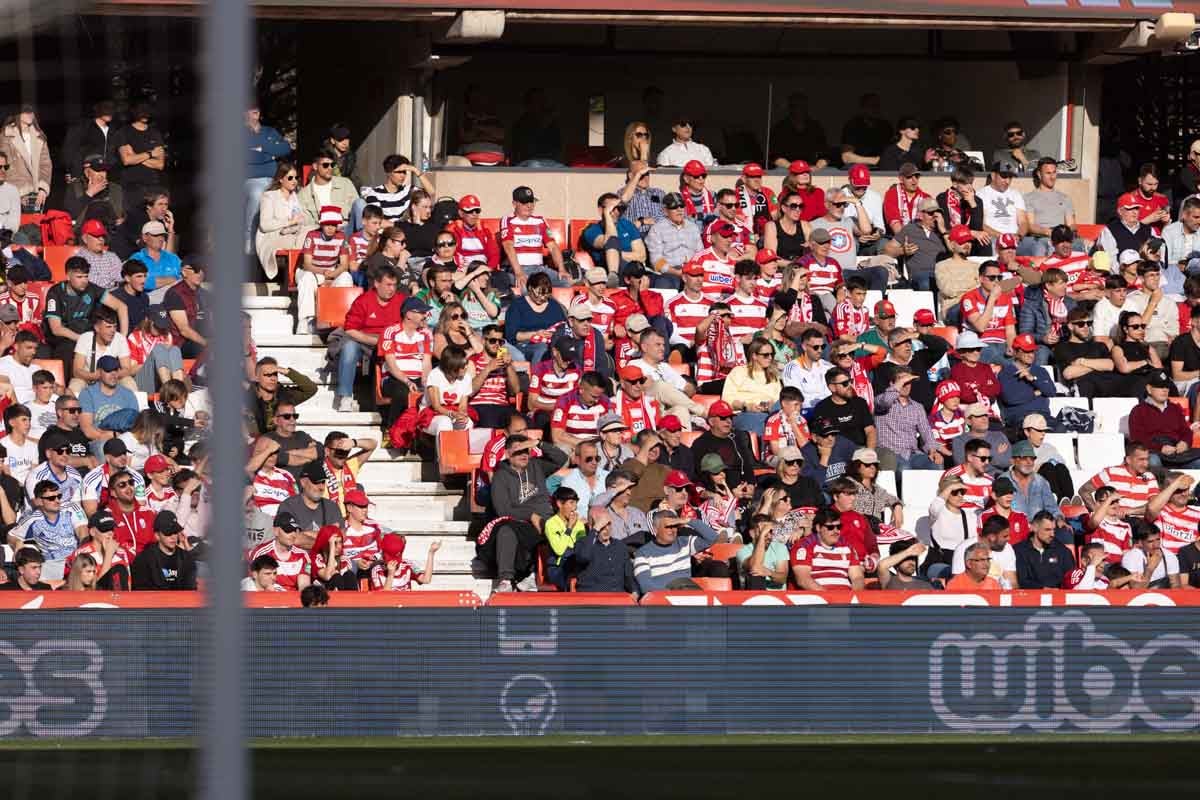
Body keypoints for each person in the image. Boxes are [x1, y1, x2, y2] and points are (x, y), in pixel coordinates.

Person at [485, 435, 566, 592]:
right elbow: (503, 510)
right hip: (520, 522)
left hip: (546, 518)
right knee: (506, 531)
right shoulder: (500, 476)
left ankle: (537, 575)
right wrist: (530, 515)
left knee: (563, 527)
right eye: (518, 452)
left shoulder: (537, 466)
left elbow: (561, 458)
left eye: (526, 451)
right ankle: (506, 581)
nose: (524, 455)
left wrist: (539, 443)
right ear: (508, 454)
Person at [334, 266, 404, 413]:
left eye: (394, 285)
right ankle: (345, 397)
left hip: (394, 343)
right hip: (365, 341)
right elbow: (350, 329)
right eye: (388, 285)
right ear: (377, 284)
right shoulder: (363, 301)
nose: (392, 289)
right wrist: (376, 341)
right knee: (349, 348)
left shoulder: (401, 301)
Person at [633, 509, 720, 594]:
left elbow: (712, 538)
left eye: (675, 526)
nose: (672, 530)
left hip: (687, 592)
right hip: (663, 600)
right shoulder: (643, 553)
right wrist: (673, 595)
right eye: (668, 526)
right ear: (656, 529)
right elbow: (646, 587)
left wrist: (687, 520)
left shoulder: (684, 543)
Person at [500, 185, 569, 291]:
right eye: (524, 202)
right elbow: (508, 246)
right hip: (520, 268)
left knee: (565, 283)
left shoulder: (540, 220)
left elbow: (553, 247)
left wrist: (561, 269)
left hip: (540, 269)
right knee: (527, 289)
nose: (529, 206)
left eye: (531, 202)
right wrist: (519, 272)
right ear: (514, 204)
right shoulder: (507, 220)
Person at [1129, 373, 1199, 468]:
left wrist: (1184, 443)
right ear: (1149, 389)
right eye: (1160, 386)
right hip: (1153, 451)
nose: (1165, 390)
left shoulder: (1175, 409)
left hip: (1177, 452)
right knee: (1153, 461)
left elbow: (1186, 431)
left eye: (1167, 387)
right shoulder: (1138, 411)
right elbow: (1137, 438)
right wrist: (1160, 448)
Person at [1054, 306, 1126, 398]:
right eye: (1081, 324)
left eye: (1089, 323)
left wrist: (1082, 362)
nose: (1086, 327)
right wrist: (1099, 365)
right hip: (1085, 389)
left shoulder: (1099, 345)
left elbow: (1110, 365)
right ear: (1070, 326)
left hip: (1107, 386)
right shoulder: (1062, 347)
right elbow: (1069, 373)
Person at [789, 508, 865, 591]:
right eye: (830, 527)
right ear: (818, 527)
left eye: (839, 527)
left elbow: (857, 577)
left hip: (847, 598)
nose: (836, 531)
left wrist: (854, 597)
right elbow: (803, 580)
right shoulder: (804, 546)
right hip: (818, 599)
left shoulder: (846, 546)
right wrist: (830, 598)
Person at [69, 306, 136, 395]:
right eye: (108, 327)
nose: (112, 331)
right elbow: (77, 371)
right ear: (97, 328)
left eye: (114, 327)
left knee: (129, 382)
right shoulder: (85, 338)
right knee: (75, 385)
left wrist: (112, 374)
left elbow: (127, 369)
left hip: (114, 378)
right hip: (89, 378)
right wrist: (94, 376)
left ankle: (137, 408)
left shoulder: (120, 339)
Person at [721, 336, 781, 434]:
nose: (770, 358)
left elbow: (777, 400)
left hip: (769, 413)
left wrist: (770, 406)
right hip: (743, 413)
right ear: (754, 356)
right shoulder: (739, 371)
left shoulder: (773, 376)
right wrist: (746, 406)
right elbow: (726, 400)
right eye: (766, 355)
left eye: (772, 354)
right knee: (764, 421)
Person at [959, 265, 1017, 364]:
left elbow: (1010, 330)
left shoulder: (1006, 298)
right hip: (978, 343)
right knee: (994, 354)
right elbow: (981, 327)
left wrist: (1011, 346)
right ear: (981, 279)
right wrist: (992, 299)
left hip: (1002, 343)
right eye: (992, 278)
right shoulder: (969, 298)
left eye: (999, 278)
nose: (996, 281)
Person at [112, 103, 166, 203]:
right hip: (131, 186)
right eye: (141, 111)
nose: (145, 114)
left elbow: (160, 165)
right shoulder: (124, 132)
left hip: (152, 186)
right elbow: (126, 160)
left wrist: (135, 156)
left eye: (147, 111)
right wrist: (150, 154)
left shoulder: (155, 133)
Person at [997, 334, 1055, 427]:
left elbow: (1051, 391)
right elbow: (1011, 399)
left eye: (1032, 351)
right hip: (1020, 417)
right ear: (1015, 352)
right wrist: (1036, 392)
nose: (1031, 355)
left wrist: (1033, 379)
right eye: (1026, 351)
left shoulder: (1040, 370)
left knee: (1061, 428)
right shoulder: (1006, 373)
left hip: (1043, 417)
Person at [1124, 261, 1178, 362]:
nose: (1156, 279)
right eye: (1151, 275)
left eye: (1158, 274)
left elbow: (1174, 330)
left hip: (1166, 344)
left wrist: (1173, 339)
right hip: (1144, 344)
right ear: (1141, 278)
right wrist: (1153, 303)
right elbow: (1137, 329)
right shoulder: (1131, 300)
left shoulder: (1169, 302)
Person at [359, 154, 433, 227]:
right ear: (388, 173)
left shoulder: (408, 190)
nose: (402, 176)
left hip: (407, 233)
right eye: (399, 172)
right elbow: (376, 221)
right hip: (387, 234)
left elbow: (431, 192)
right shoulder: (375, 193)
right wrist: (400, 226)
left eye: (404, 172)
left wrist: (415, 170)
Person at [0, 105, 51, 212]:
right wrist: (17, 193)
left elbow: (45, 165)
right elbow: (5, 167)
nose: (30, 114)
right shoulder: (6, 136)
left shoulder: (39, 136)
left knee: (34, 227)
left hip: (37, 195)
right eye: (26, 111)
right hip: (14, 194)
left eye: (32, 111)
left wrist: (42, 189)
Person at [646, 192, 702, 287]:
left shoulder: (693, 227)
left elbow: (700, 253)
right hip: (670, 272)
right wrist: (677, 272)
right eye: (674, 207)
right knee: (663, 283)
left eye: (681, 206)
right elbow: (656, 261)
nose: (679, 210)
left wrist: (694, 269)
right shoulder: (657, 229)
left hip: (693, 270)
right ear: (665, 211)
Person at [130, 510, 195, 590]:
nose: (173, 537)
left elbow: (190, 591)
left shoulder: (186, 558)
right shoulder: (143, 560)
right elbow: (142, 594)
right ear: (157, 535)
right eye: (168, 532)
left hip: (180, 601)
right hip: (154, 601)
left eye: (175, 532)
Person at [247, 510, 311, 592]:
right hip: (267, 598)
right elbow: (253, 583)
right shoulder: (260, 553)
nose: (293, 535)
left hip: (293, 600)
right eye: (288, 530)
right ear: (276, 531)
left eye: (295, 530)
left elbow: (304, 585)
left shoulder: (303, 555)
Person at [950, 514, 1018, 588]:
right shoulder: (964, 548)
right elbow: (958, 583)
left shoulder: (1007, 548)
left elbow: (1012, 583)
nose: (1009, 539)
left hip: (998, 594)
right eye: (1005, 536)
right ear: (992, 537)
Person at [162, 257, 209, 359]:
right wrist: (207, 343)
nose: (200, 273)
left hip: (202, 338)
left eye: (203, 270)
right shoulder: (175, 294)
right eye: (196, 270)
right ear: (184, 272)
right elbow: (184, 330)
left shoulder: (205, 294)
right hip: (181, 343)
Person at [298, 148, 357, 228]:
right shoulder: (304, 194)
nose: (330, 168)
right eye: (325, 165)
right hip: (321, 233)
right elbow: (306, 222)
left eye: (332, 165)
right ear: (315, 166)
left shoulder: (345, 183)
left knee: (360, 204)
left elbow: (356, 209)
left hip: (346, 229)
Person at [1146, 472, 1200, 556]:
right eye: (1179, 490)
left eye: (1186, 489)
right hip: (1164, 560)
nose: (1184, 494)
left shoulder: (1197, 514)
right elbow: (1151, 508)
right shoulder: (1160, 510)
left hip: (1188, 562)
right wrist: (1176, 484)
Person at [737, 513, 791, 590]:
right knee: (756, 575)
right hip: (752, 597)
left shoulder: (780, 547)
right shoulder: (742, 551)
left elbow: (782, 579)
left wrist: (769, 573)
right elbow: (755, 567)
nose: (769, 536)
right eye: (763, 530)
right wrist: (762, 535)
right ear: (752, 533)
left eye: (770, 531)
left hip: (778, 598)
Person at [1122, 523, 1181, 589]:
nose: (1156, 545)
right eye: (1150, 541)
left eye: (1158, 539)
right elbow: (1135, 589)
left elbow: (1176, 587)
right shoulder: (1131, 557)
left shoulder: (1169, 556)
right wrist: (1149, 569)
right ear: (1140, 543)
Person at [839, 93, 891, 166]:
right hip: (858, 169)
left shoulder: (885, 127)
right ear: (863, 108)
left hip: (883, 170)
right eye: (871, 106)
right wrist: (875, 160)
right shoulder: (853, 126)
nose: (875, 109)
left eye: (877, 106)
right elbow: (846, 157)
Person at [1098, 193, 1151, 259]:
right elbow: (1110, 258)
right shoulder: (1110, 230)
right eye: (1130, 208)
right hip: (1119, 268)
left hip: (1144, 268)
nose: (1134, 212)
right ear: (1120, 211)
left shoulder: (1149, 230)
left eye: (1136, 208)